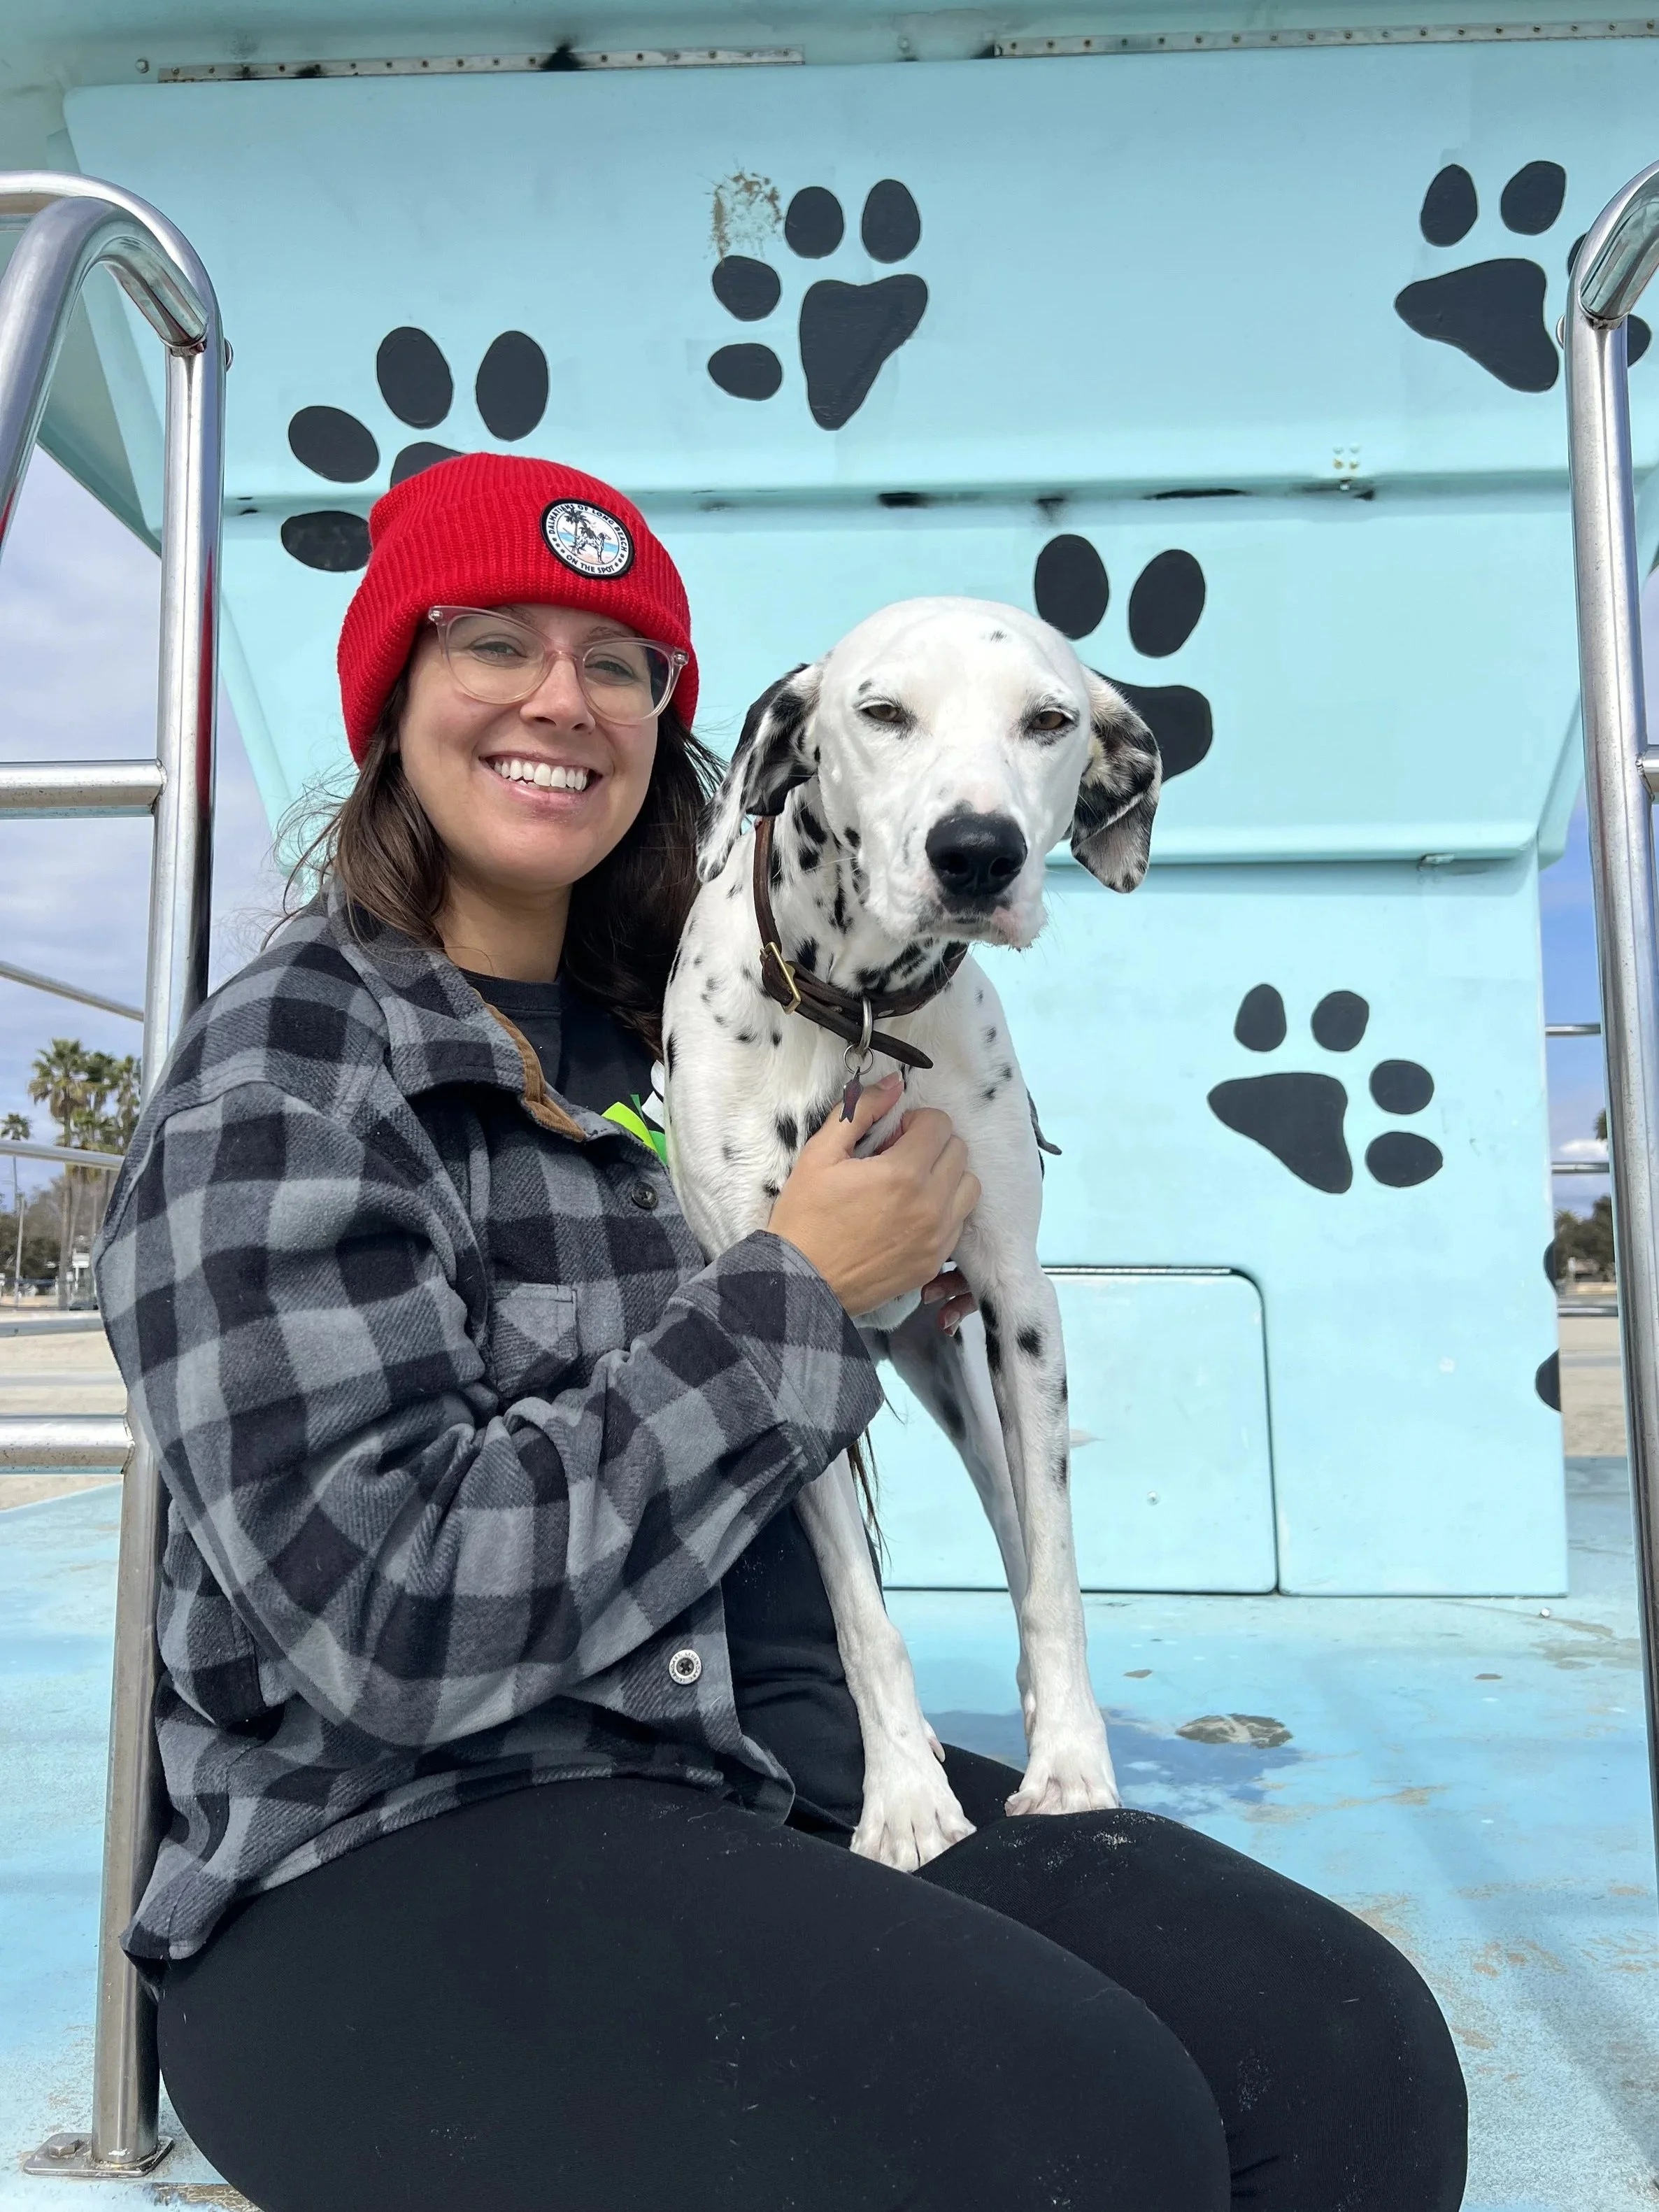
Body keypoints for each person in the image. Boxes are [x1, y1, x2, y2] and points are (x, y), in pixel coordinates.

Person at [95, 453, 1467, 2212]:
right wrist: (799, 1291)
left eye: (615, 664)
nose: (558, 701)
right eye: (493, 643)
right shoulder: (285, 1080)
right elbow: (390, 1620)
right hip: (388, 1846)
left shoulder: (711, 1013)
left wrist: (893, 1287)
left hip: (753, 1752)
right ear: (389, 697)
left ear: (680, 732)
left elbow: (876, 1327)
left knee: (1348, 2060)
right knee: (1080, 2138)